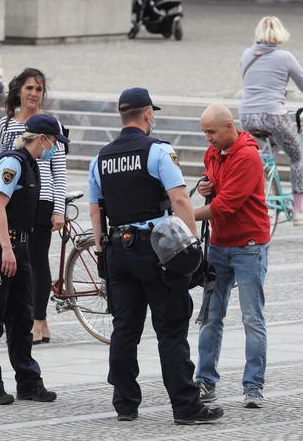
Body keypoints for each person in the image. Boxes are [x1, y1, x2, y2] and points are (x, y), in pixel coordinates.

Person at [88, 87, 223, 425]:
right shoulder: (159, 151)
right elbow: (179, 200)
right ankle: (186, 406)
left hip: (118, 248)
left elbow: (95, 210)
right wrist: (193, 248)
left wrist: (104, 251)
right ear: (147, 114)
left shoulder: (101, 158)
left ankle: (125, 403)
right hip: (157, 250)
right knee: (171, 329)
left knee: (124, 330)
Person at [0, 114, 67, 405]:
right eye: (53, 142)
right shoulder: (12, 163)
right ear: (41, 138)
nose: (54, 147)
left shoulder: (30, 165)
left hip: (19, 248)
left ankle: (28, 382)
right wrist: (5, 248)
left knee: (21, 317)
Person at [193, 104, 270, 408]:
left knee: (252, 318)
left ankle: (253, 386)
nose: (207, 138)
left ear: (229, 126)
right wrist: (204, 185)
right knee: (210, 316)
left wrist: (186, 217)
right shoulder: (213, 152)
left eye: (210, 132)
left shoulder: (248, 156)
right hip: (219, 246)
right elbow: (213, 187)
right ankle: (205, 380)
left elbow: (225, 206)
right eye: (204, 132)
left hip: (249, 246)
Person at [239, 15, 303, 226]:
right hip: (273, 115)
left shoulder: (246, 54)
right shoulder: (285, 57)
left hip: (246, 115)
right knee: (297, 155)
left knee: (268, 150)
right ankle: (299, 210)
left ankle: (260, 182)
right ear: (280, 33)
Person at [0, 68, 67, 345]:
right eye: (29, 88)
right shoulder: (6, 124)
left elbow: (58, 168)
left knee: (37, 261)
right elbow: (2, 163)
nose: (34, 94)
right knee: (18, 260)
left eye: (38, 89)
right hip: (15, 199)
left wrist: (59, 208)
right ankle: (25, 317)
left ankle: (39, 321)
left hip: (43, 198)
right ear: (19, 91)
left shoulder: (51, 124)